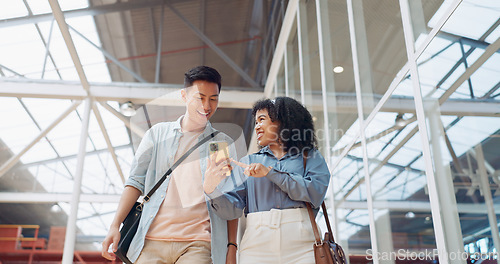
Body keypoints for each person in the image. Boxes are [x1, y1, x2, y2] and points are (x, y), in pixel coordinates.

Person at [102, 66, 238, 264]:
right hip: (150, 242)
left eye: (213, 99)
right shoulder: (157, 135)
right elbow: (135, 182)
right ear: (184, 96)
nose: (207, 106)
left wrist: (231, 247)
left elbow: (230, 201)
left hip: (198, 243)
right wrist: (115, 225)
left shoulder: (220, 144)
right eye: (200, 98)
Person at [204, 96, 331, 264]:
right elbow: (231, 211)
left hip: (302, 244)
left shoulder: (310, 156)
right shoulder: (248, 162)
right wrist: (212, 189)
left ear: (283, 121)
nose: (257, 127)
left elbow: (314, 192)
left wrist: (271, 173)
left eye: (261, 120)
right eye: (255, 122)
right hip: (257, 243)